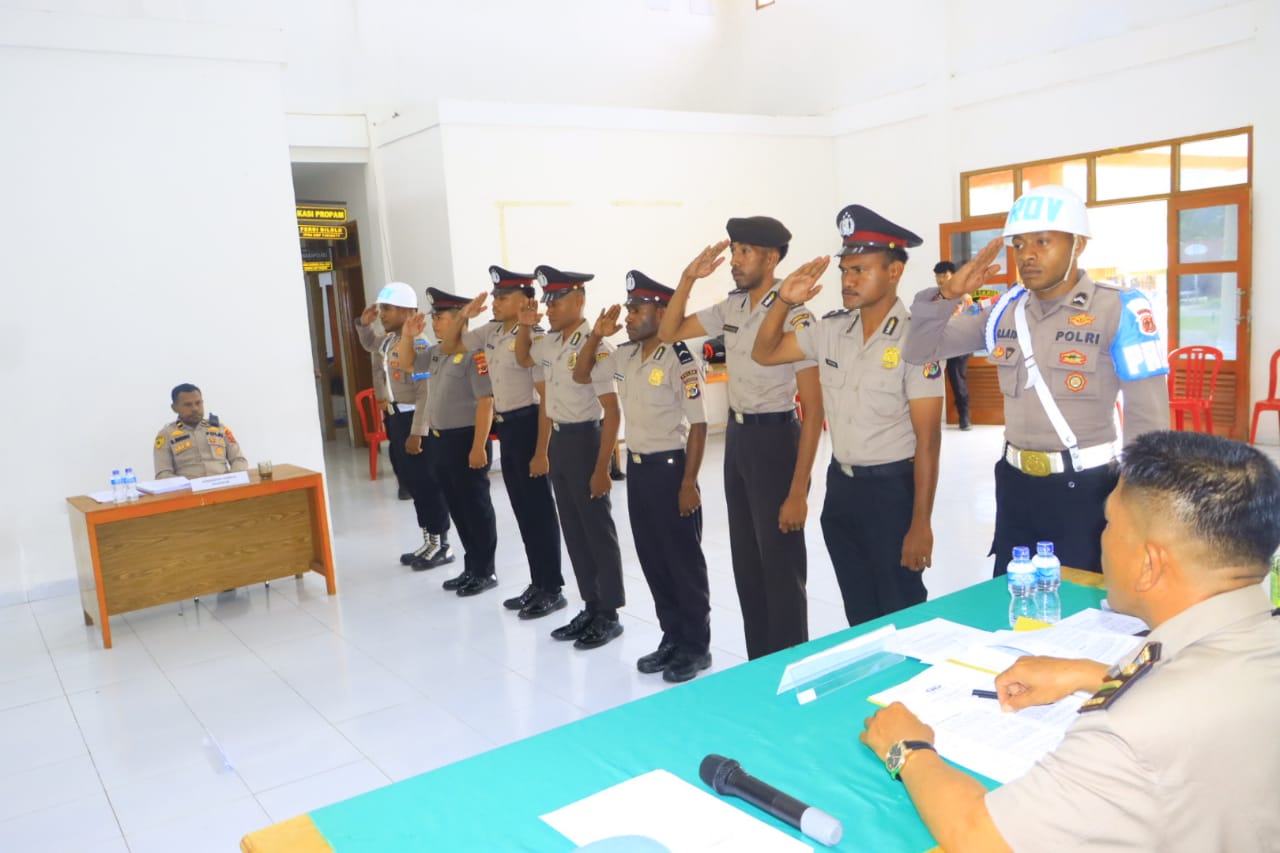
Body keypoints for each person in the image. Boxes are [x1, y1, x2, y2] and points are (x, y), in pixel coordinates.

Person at [861, 430, 1280, 852]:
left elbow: (981, 838)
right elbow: (1206, 694)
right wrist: (1089, 674)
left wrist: (909, 748)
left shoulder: (1128, 731)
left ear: (1149, 564)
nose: (1102, 535)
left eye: (1111, 523)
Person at [901, 185, 1170, 575]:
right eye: (1019, 244)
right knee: (1013, 601)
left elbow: (1149, 421)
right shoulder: (1003, 311)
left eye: (1043, 242)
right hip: (1016, 486)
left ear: (1078, 244)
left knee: (1083, 611)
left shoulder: (1119, 309)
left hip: (1089, 489)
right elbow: (921, 350)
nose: (1027, 254)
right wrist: (948, 296)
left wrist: (1140, 508)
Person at [753, 205, 943, 626]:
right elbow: (763, 352)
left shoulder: (917, 340)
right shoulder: (830, 331)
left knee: (901, 605)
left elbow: (928, 440)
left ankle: (909, 689)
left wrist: (921, 524)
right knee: (859, 609)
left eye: (860, 269)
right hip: (842, 490)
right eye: (845, 270)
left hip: (894, 492)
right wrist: (783, 301)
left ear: (894, 272)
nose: (849, 280)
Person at [658, 217, 823, 660]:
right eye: (734, 251)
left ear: (772, 258)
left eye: (744, 251)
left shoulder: (797, 311)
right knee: (748, 564)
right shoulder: (732, 307)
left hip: (777, 442)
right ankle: (759, 664)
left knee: (781, 567)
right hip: (738, 441)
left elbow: (814, 411)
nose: (734, 260)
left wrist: (798, 491)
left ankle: (789, 663)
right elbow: (669, 331)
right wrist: (688, 278)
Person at [573, 271, 712, 682]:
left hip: (672, 471)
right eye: (629, 309)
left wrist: (689, 483)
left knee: (683, 563)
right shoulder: (627, 355)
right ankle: (671, 637)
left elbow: (700, 424)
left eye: (637, 309)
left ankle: (696, 646)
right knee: (653, 559)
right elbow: (582, 375)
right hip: (638, 471)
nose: (629, 317)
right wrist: (596, 336)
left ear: (663, 311)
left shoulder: (680, 357)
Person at [436, 267, 566, 618]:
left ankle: (552, 588)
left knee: (538, 511)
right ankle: (537, 582)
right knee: (523, 511)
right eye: (494, 295)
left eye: (502, 297)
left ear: (525, 302)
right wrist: (464, 316)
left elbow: (547, 400)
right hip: (507, 429)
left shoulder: (535, 337)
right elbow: (450, 346)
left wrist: (541, 451)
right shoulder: (492, 331)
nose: (494, 301)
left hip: (529, 427)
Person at [515, 265, 627, 650]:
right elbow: (525, 357)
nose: (550, 308)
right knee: (575, 531)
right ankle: (591, 605)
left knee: (597, 530)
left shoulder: (596, 346)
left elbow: (612, 412)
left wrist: (603, 467)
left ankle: (609, 614)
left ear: (579, 300)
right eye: (547, 301)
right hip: (561, 442)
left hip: (586, 441)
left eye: (557, 300)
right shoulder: (552, 341)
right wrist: (527, 325)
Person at [399, 288, 500, 596]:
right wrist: (406, 335)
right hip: (442, 441)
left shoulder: (474, 353)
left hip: (466, 439)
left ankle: (485, 571)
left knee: (476, 507)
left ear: (459, 318)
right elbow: (407, 364)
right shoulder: (438, 352)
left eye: (440, 317)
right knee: (457, 506)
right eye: (434, 317)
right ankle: (471, 567)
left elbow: (486, 401)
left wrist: (479, 446)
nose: (434, 323)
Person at [355, 282, 453, 570]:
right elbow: (369, 344)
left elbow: (427, 392)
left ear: (408, 311)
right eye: (382, 308)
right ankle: (427, 539)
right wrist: (364, 324)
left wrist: (417, 432)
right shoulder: (388, 340)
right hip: (396, 417)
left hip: (414, 420)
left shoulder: (419, 344)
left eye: (388, 309)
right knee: (412, 483)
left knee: (427, 483)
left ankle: (441, 544)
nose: (383, 314)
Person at [153, 383, 249, 478]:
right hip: (189, 491)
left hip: (223, 487)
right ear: (174, 408)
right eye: (188, 405)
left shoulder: (220, 428)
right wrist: (186, 486)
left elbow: (239, 460)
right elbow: (163, 474)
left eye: (198, 403)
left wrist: (232, 480)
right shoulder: (166, 435)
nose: (195, 408)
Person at [933, 260, 973, 431]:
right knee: (930, 381)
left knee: (957, 381)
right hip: (940, 345)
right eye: (938, 276)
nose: (941, 280)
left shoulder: (964, 296)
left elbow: (973, 318)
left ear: (953, 276)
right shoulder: (934, 297)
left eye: (945, 276)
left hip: (959, 345)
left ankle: (964, 418)